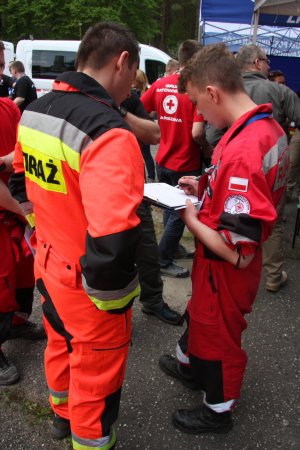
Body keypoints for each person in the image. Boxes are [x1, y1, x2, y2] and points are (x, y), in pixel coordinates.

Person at [15, 22, 144, 449]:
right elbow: (113, 240)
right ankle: (85, 437)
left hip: (48, 263)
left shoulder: (35, 111)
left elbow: (23, 182)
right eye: (133, 74)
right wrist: (116, 306)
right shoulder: (111, 134)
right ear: (122, 62)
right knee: (96, 376)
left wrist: (41, 238)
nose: (130, 88)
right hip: (86, 284)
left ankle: (59, 413)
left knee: (58, 341)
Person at [159, 43, 288, 434]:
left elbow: (238, 254)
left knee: (220, 339)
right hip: (219, 263)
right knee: (203, 321)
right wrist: (203, 185)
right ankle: (192, 367)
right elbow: (247, 195)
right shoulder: (264, 127)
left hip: (225, 270)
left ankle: (217, 411)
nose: (199, 114)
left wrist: (188, 215)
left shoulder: (244, 149)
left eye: (198, 103)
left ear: (213, 92)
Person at [235, 44, 300, 292]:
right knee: (273, 219)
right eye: (266, 61)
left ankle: (238, 269)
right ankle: (273, 276)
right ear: (256, 63)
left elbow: (210, 134)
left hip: (235, 167)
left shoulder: (227, 89)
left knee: (235, 214)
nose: (268, 66)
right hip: (273, 166)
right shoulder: (279, 91)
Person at [141, 40, 207, 278]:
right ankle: (163, 259)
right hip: (185, 161)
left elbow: (140, 107)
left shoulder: (160, 83)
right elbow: (197, 132)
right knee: (180, 214)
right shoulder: (194, 88)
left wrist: (154, 129)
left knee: (170, 208)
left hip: (163, 157)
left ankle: (172, 248)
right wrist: (207, 150)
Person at [121, 88, 182, 325]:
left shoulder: (128, 98)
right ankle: (109, 314)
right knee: (109, 253)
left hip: (134, 187)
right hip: (97, 191)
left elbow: (154, 134)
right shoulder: (81, 98)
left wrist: (120, 111)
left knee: (147, 247)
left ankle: (153, 300)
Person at [0, 97, 45, 386]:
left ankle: (17, 322)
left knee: (25, 278)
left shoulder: (8, 107)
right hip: (11, 212)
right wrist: (23, 209)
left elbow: (22, 154)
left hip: (18, 213)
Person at [132, 69, 156, 181]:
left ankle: (150, 176)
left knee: (146, 155)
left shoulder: (147, 92)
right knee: (138, 156)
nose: (132, 83)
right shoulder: (134, 93)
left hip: (145, 128)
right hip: (137, 128)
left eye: (135, 81)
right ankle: (144, 179)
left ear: (139, 81)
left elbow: (152, 112)